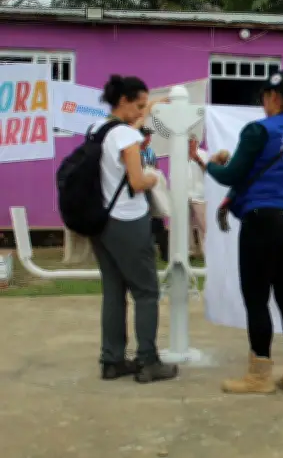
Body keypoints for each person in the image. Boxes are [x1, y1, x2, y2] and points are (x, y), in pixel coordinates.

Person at [197, 70, 283, 395]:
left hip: (262, 220)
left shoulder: (258, 130)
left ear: (274, 98)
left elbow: (231, 175)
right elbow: (272, 172)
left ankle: (259, 375)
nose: (262, 103)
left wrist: (208, 163)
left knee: (257, 299)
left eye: (264, 96)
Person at [89, 75, 178, 384]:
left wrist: (150, 107)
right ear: (124, 101)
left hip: (100, 222)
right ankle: (148, 361)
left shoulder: (98, 129)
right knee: (146, 292)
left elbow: (130, 127)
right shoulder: (126, 136)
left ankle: (111, 360)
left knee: (114, 292)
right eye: (139, 105)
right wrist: (154, 178)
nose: (142, 112)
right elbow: (138, 182)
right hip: (128, 222)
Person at [140, 127, 169, 263]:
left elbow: (156, 168)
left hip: (153, 189)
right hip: (141, 190)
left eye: (149, 136)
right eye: (146, 136)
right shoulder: (134, 151)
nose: (149, 139)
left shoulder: (151, 152)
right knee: (146, 221)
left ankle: (165, 253)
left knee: (157, 221)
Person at [187, 135, 208, 259]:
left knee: (203, 225)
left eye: (191, 141)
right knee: (184, 225)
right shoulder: (179, 155)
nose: (189, 144)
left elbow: (209, 171)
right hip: (184, 195)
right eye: (187, 142)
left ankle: (205, 251)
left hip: (200, 195)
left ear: (196, 142)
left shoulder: (204, 154)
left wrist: (197, 159)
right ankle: (190, 251)